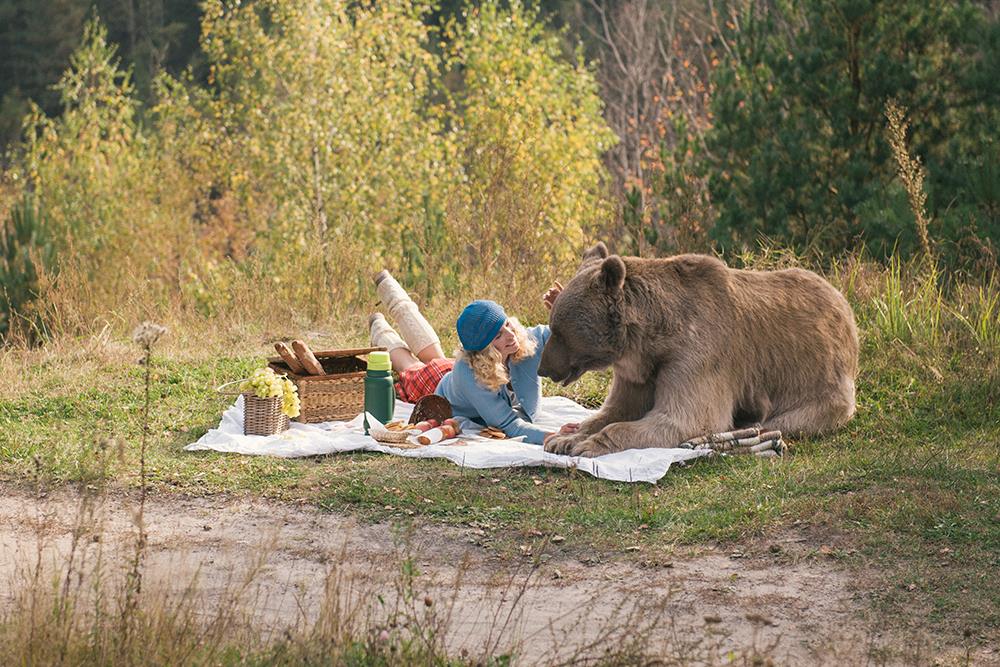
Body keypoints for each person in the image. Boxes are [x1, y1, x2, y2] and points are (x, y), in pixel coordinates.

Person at [368, 272, 577, 446]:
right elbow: (510, 425)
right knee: (411, 366)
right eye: (498, 335)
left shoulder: (523, 339)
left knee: (432, 353)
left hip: (458, 372)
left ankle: (388, 288)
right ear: (484, 350)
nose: (511, 335)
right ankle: (378, 327)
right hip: (439, 387)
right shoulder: (469, 374)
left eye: (508, 325)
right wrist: (552, 436)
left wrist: (564, 306)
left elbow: (570, 335)